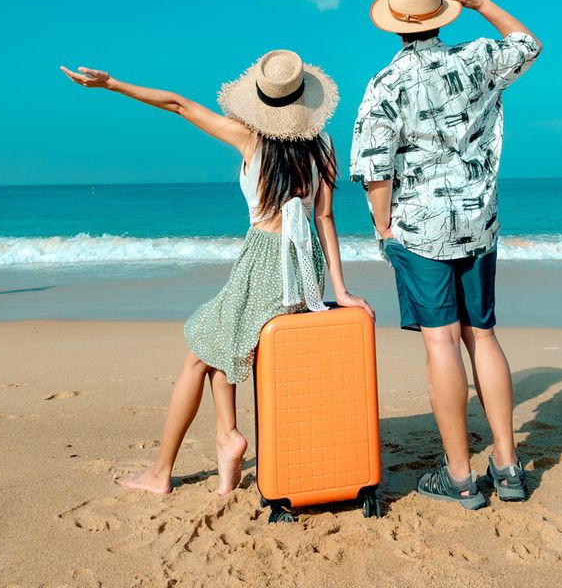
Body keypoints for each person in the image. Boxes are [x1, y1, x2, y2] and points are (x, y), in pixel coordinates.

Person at [60, 50, 370, 496]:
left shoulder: (250, 140)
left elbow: (179, 104)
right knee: (221, 340)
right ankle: (227, 438)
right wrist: (339, 290)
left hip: (263, 263)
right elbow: (325, 219)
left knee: (195, 353)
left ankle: (161, 472)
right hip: (306, 274)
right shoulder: (323, 146)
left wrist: (113, 85)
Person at [351, 0, 542, 508]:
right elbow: (528, 43)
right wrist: (482, 2)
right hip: (479, 221)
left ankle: (460, 476)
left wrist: (384, 227)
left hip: (421, 228)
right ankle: (507, 467)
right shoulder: (476, 59)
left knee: (441, 341)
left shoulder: (385, 84)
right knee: (482, 334)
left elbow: (375, 171)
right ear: (442, 16)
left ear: (396, 24)